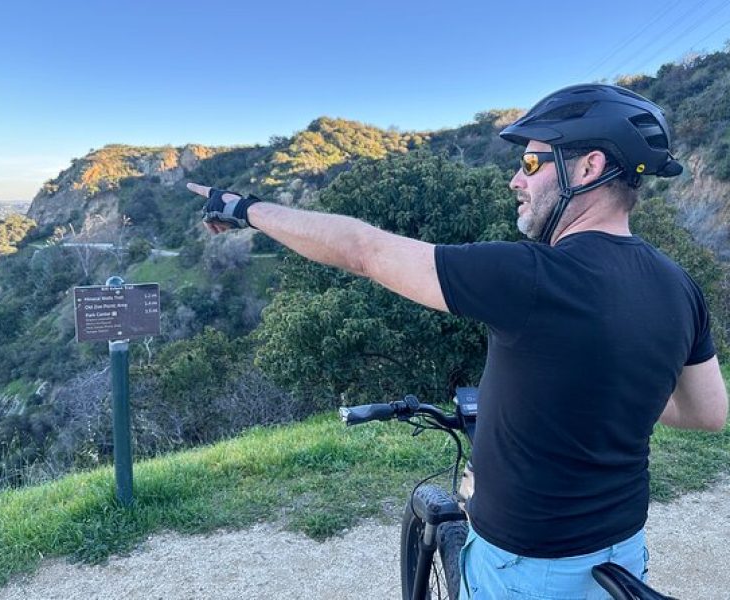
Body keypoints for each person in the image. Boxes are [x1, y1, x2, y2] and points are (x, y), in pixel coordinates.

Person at [187, 83, 728, 599]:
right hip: (622, 552)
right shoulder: (679, 285)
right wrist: (612, 396)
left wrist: (244, 209)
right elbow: (708, 413)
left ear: (589, 167)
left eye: (532, 163)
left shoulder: (531, 276)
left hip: (526, 567)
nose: (517, 179)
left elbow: (363, 249)